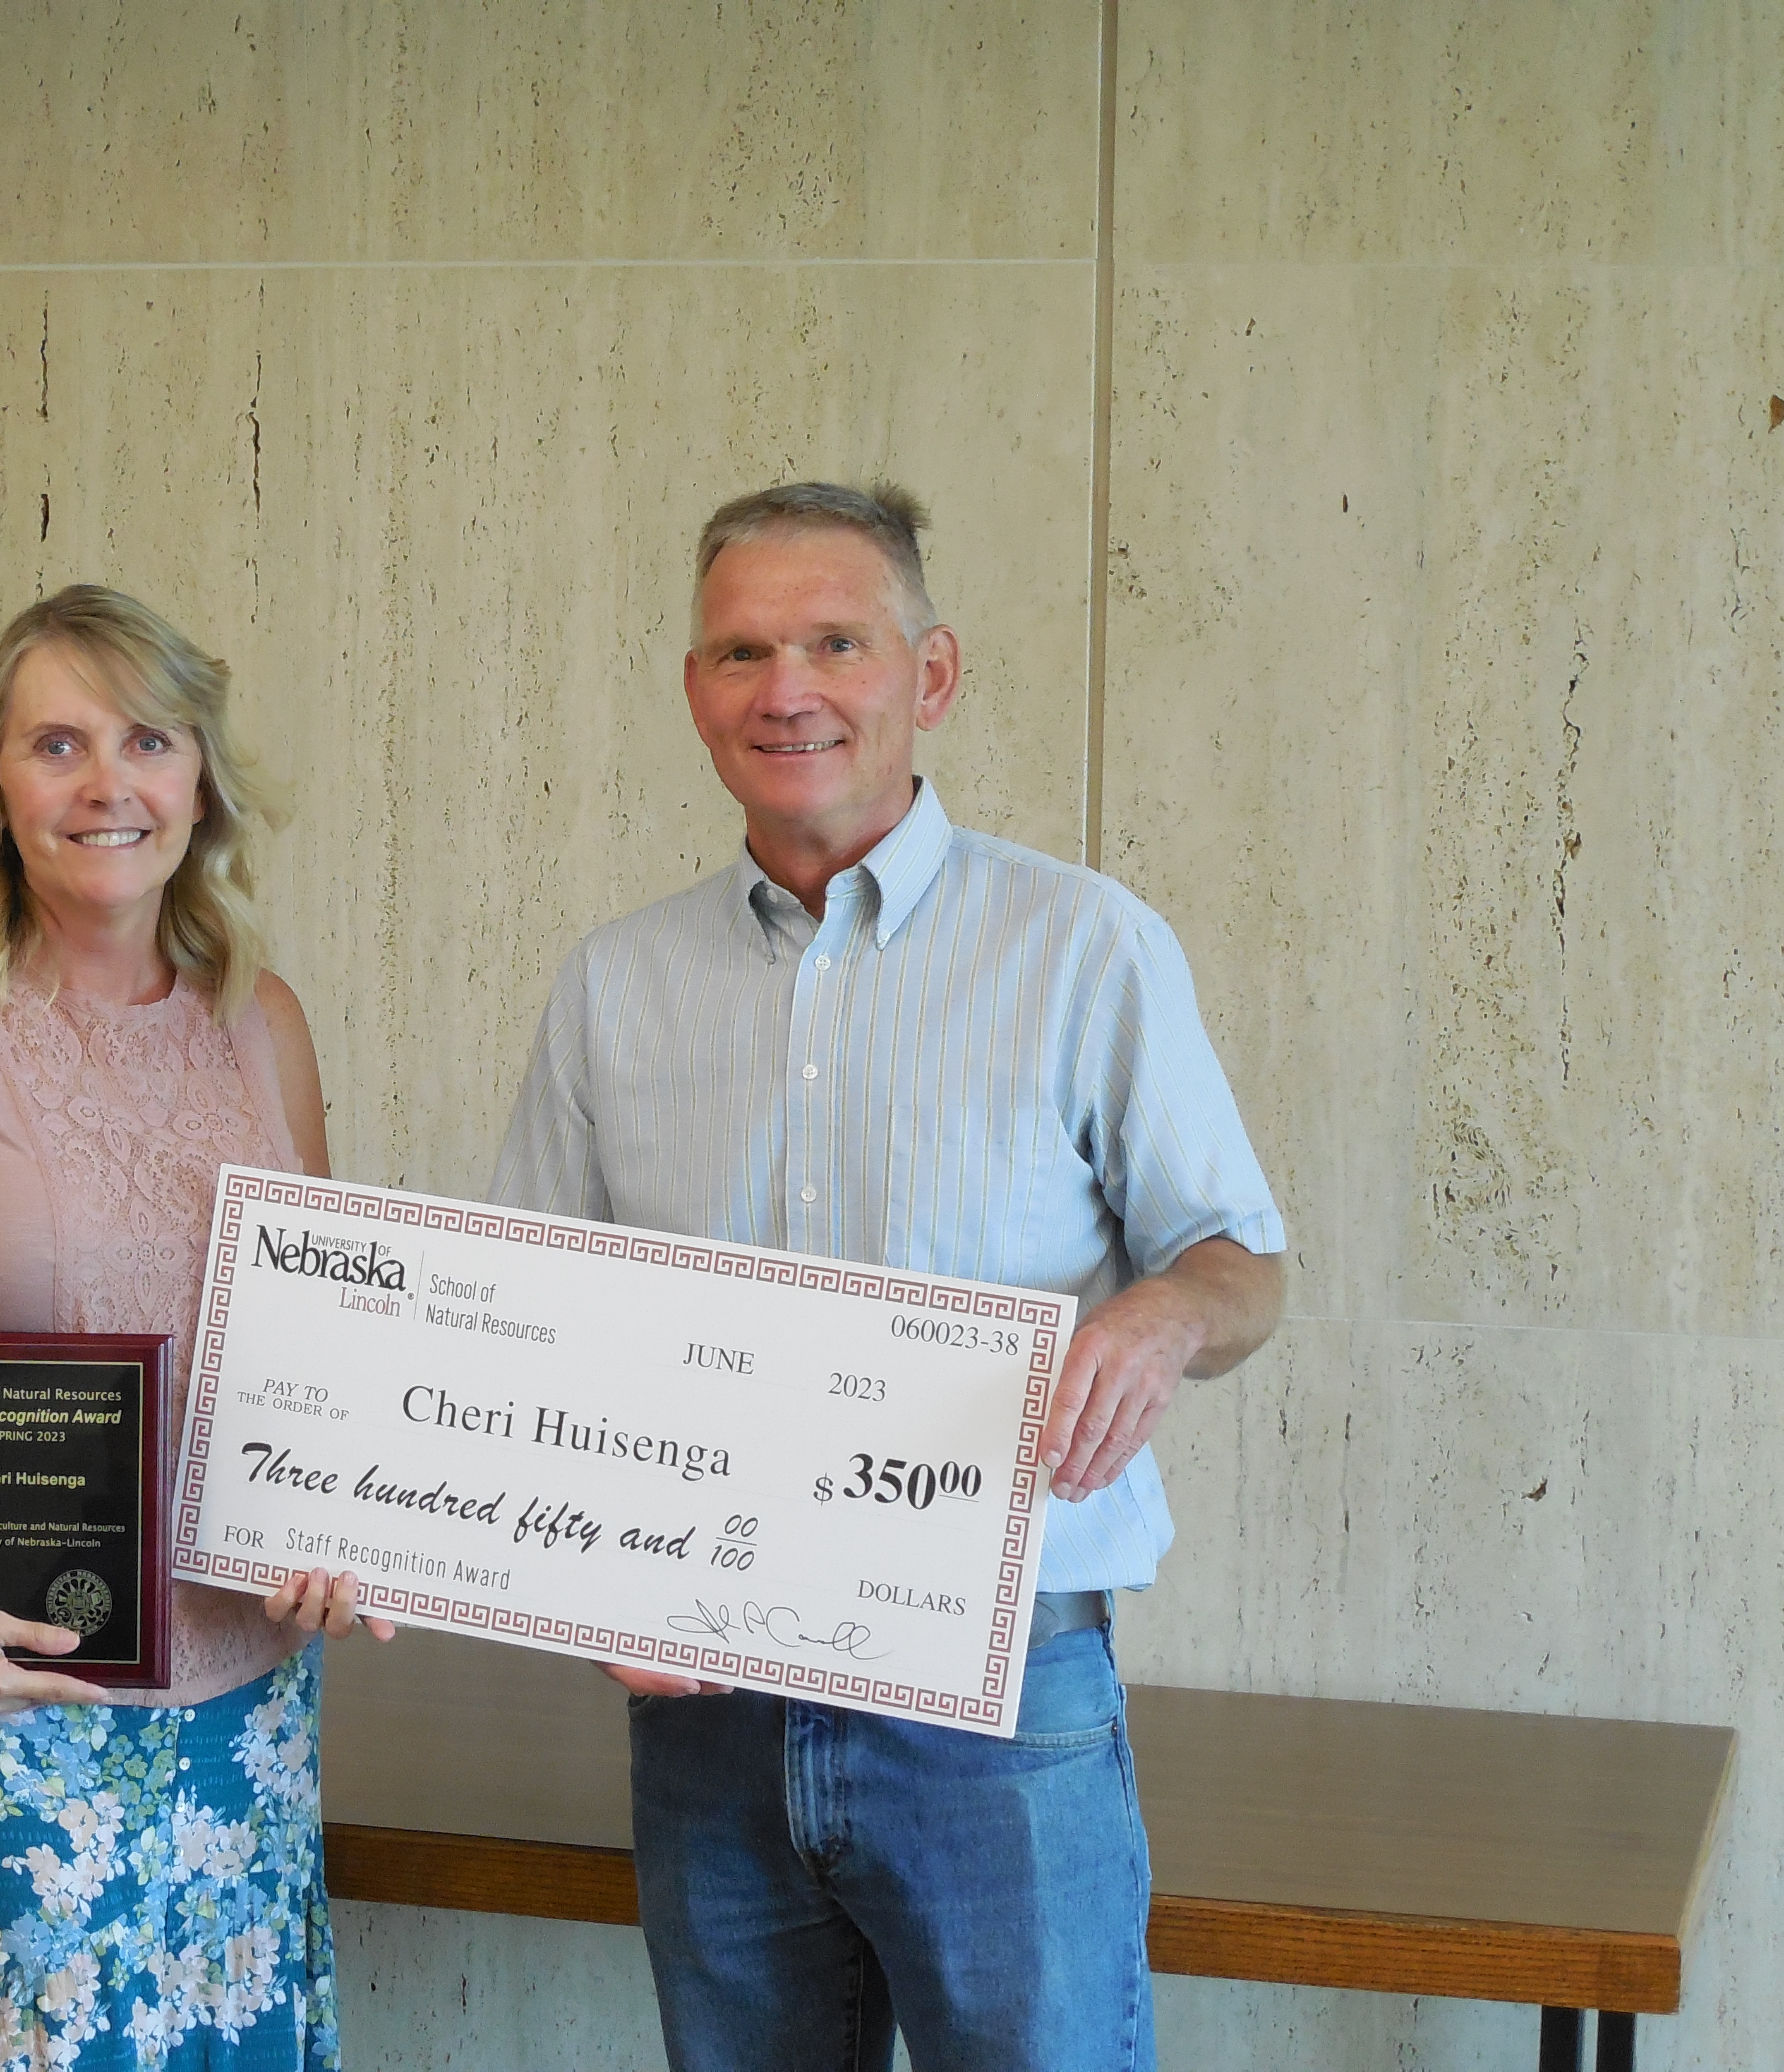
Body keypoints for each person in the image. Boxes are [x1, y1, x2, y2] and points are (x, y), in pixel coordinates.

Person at [490, 483, 1286, 2071]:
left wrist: (1163, 1307)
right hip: (702, 1708)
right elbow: (525, 1323)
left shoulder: (1085, 948)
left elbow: (1244, 1265)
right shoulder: (615, 986)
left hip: (994, 1701)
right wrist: (563, 1571)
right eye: (740, 651)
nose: (785, 689)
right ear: (696, 690)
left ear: (929, 677)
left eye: (834, 642)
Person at [0, 585, 388, 2072]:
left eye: (148, 740)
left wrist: (344, 1534)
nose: (109, 785)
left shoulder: (261, 1020)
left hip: (248, 1719)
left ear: (202, 777)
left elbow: (321, 1375)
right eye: (58, 743)